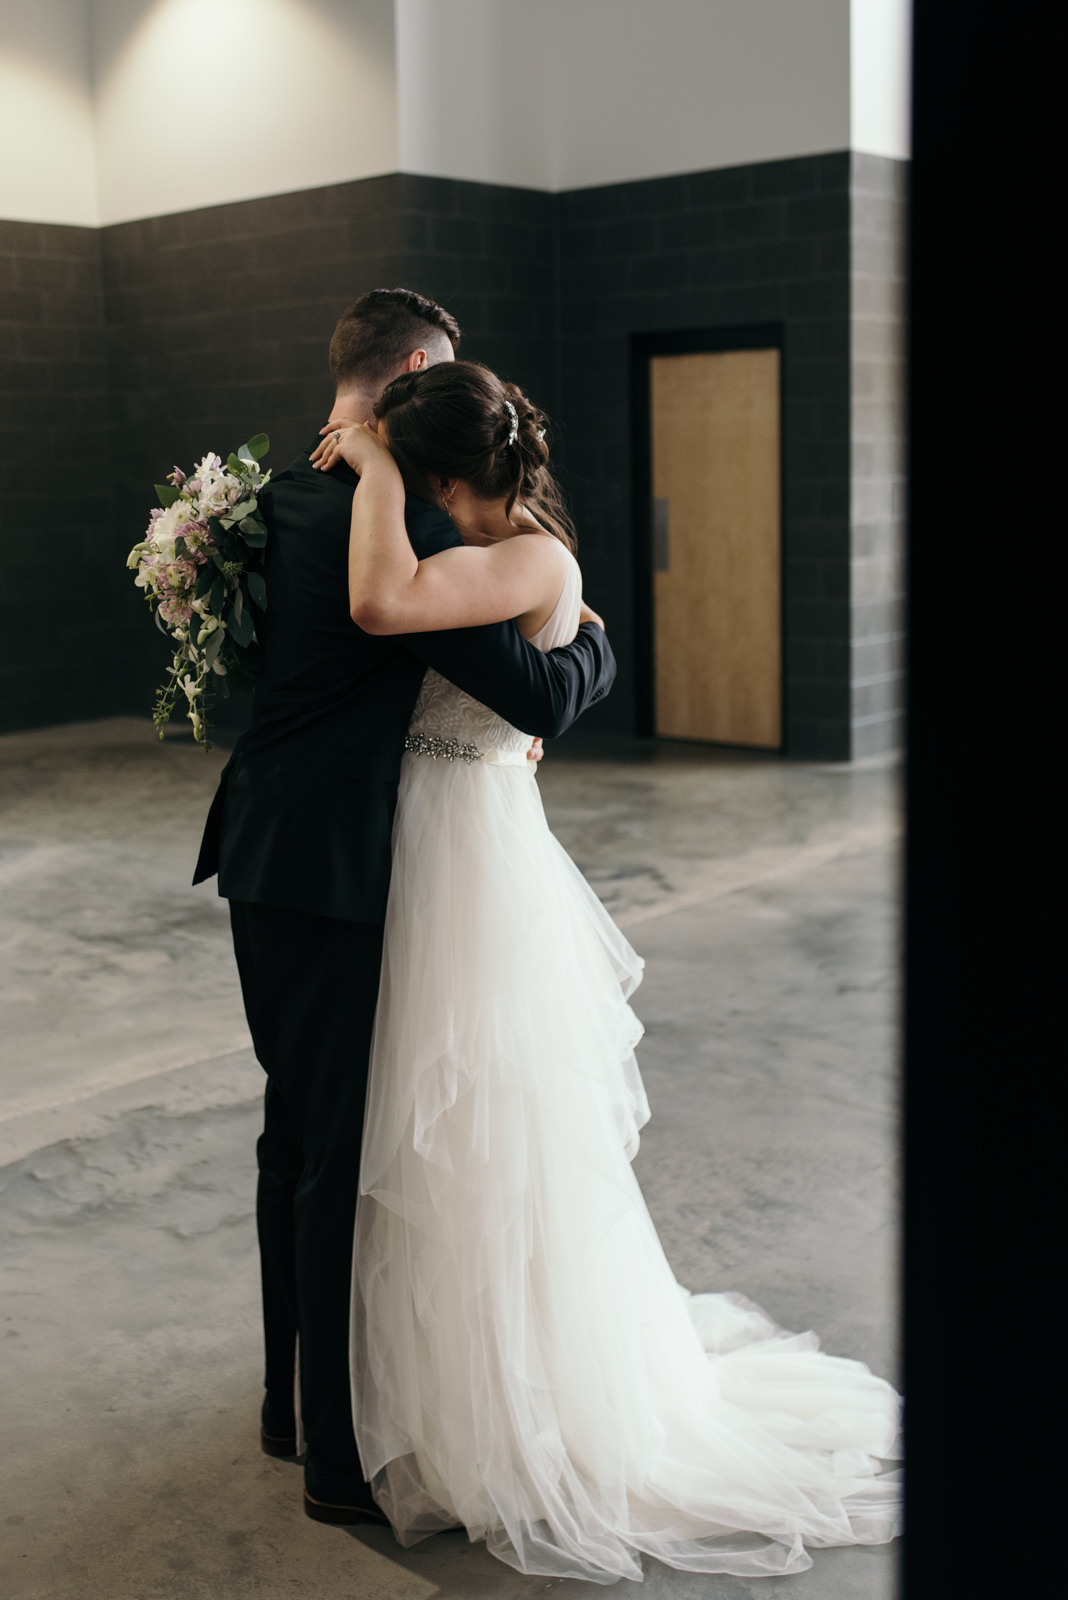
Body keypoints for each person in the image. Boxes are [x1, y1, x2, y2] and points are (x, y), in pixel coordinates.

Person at [313, 361, 904, 1584]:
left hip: (467, 847)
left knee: (483, 1121)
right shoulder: (505, 546)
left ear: (441, 478)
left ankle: (513, 1401)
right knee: (441, 1125)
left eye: (415, 477)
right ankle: (444, 1383)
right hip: (435, 828)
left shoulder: (527, 557)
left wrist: (363, 462)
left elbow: (381, 603)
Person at [192, 290, 616, 1526]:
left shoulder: (255, 504)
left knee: (293, 1134)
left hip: (261, 848)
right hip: (352, 869)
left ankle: (289, 1400)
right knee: (341, 1154)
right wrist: (593, 642)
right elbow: (529, 689)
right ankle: (334, 1461)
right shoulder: (416, 527)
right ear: (412, 382)